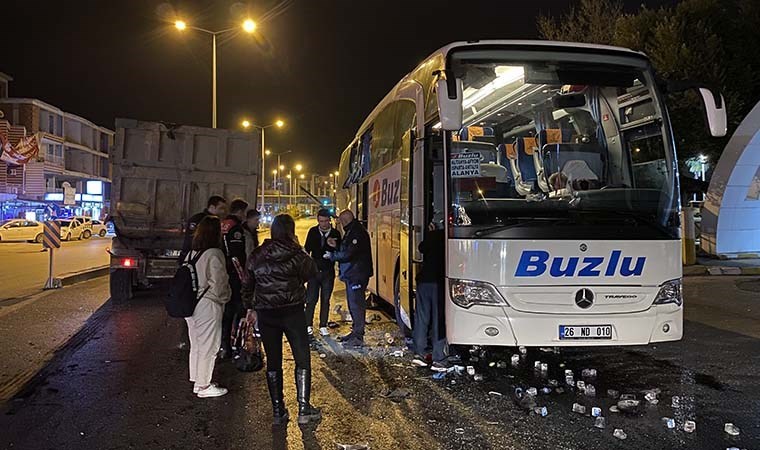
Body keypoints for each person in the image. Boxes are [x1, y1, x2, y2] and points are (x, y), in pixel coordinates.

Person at [242, 214, 320, 425]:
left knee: (273, 361)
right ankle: (304, 408)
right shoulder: (296, 254)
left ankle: (278, 411)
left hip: (267, 314)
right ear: (291, 231)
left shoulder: (257, 255)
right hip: (293, 312)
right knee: (302, 358)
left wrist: (249, 307)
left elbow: (248, 284)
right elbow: (312, 272)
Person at [185, 215, 231, 398]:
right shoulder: (214, 253)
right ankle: (204, 386)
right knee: (209, 346)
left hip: (191, 304)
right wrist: (225, 298)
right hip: (208, 304)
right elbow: (219, 283)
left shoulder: (192, 253)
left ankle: (197, 380)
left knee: (196, 344)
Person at [324, 210, 372, 348]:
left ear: (345, 220)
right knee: (354, 304)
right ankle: (355, 332)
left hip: (356, 274)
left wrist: (332, 255)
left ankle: (358, 336)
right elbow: (347, 249)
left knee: (356, 305)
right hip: (353, 273)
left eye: (340, 221)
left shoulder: (356, 233)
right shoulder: (353, 230)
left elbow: (349, 253)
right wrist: (337, 246)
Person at [413, 219, 449, 372]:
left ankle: (419, 355)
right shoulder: (447, 238)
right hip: (438, 284)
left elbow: (421, 248)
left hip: (423, 282)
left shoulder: (432, 237)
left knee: (422, 318)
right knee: (438, 320)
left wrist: (430, 233)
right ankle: (438, 358)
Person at [304, 209, 342, 338]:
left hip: (328, 271)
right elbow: (307, 250)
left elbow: (341, 251)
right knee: (311, 299)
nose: (324, 224)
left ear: (329, 221)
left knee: (325, 299)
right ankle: (308, 324)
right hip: (314, 271)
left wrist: (335, 247)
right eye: (321, 221)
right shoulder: (313, 232)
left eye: (326, 221)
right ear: (318, 220)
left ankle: (323, 325)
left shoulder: (336, 233)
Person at [219, 198, 248, 359]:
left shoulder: (223, 224)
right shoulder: (236, 228)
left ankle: (225, 346)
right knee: (238, 310)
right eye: (243, 212)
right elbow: (237, 255)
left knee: (227, 312)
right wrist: (244, 276)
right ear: (240, 211)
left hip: (223, 273)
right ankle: (235, 345)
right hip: (234, 275)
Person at [180, 195, 227, 262]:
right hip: (198, 257)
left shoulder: (217, 221)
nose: (223, 211)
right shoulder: (198, 219)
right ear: (212, 207)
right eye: (221, 208)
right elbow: (191, 240)